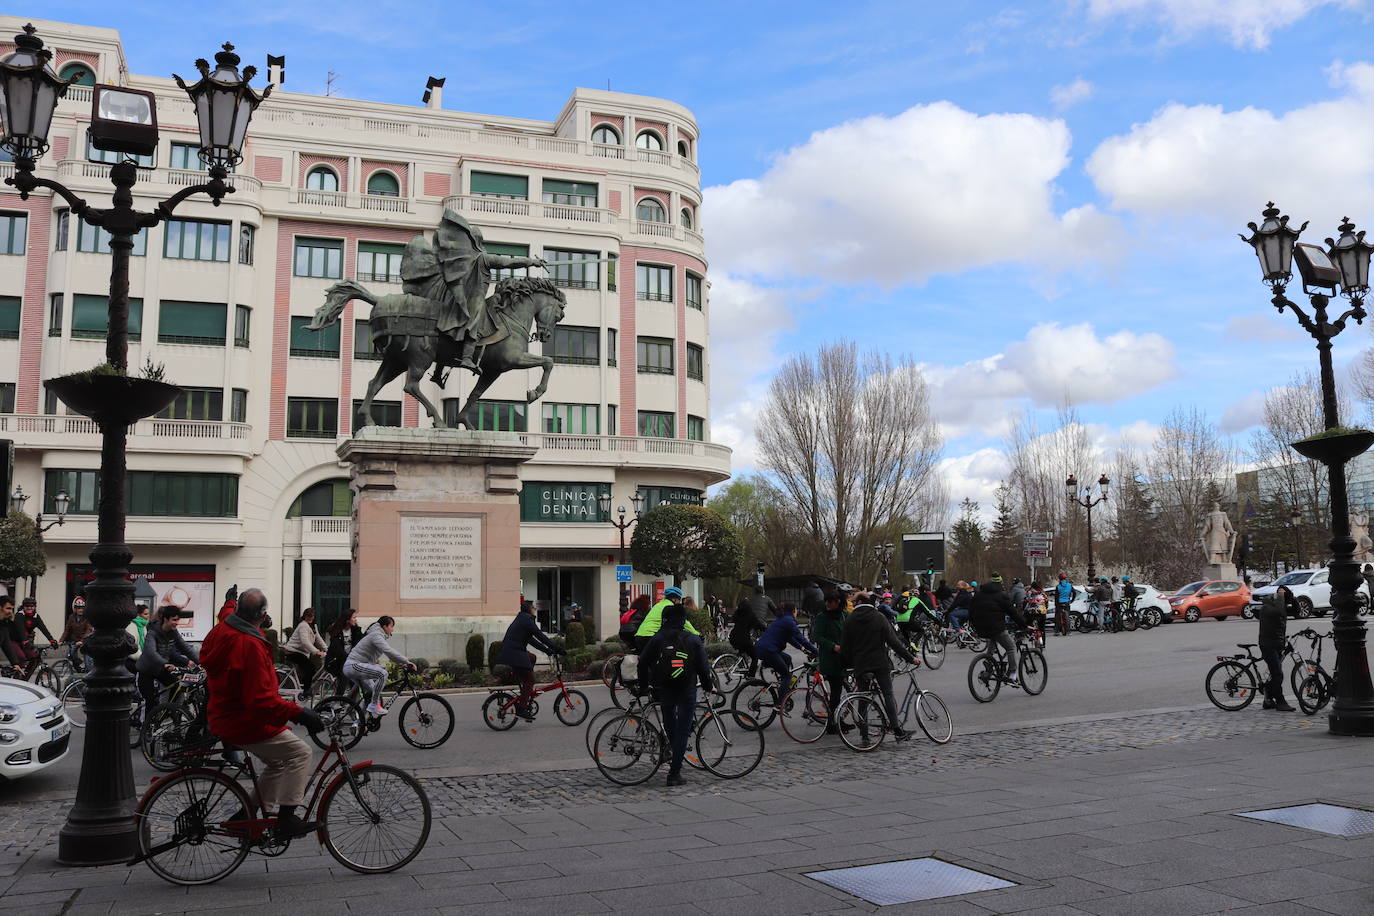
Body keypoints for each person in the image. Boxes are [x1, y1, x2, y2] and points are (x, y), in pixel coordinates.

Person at [200, 588, 324, 839]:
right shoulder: (249, 644)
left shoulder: (224, 628)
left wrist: (230, 601)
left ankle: (245, 816)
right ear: (262, 614)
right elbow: (261, 701)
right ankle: (287, 819)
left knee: (277, 762)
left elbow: (227, 613)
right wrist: (299, 713)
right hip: (243, 719)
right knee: (300, 752)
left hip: (225, 712)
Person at [639, 602, 712, 786]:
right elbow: (703, 668)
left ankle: (672, 752)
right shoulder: (693, 639)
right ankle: (674, 773)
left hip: (665, 688)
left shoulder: (658, 638)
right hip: (687, 689)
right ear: (683, 619)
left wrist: (643, 686)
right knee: (683, 731)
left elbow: (642, 663)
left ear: (665, 618)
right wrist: (708, 685)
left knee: (671, 727)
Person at [841, 592, 918, 741]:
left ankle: (864, 735)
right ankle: (897, 730)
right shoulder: (879, 617)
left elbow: (845, 647)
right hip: (880, 663)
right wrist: (910, 658)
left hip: (861, 664)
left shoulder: (850, 620)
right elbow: (894, 642)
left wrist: (847, 665)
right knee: (887, 694)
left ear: (859, 602)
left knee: (862, 698)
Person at [498, 601, 564, 718]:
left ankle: (522, 680)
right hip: (514, 653)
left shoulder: (523, 619)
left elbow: (532, 640)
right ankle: (521, 708)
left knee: (532, 657)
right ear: (529, 609)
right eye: (533, 608)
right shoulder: (527, 620)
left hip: (512, 652)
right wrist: (557, 648)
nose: (535, 610)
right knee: (531, 679)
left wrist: (547, 650)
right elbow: (540, 636)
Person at [344, 616, 415, 716]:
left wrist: (402, 664)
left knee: (373, 692)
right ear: (385, 626)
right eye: (391, 626)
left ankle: (359, 723)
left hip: (359, 666)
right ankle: (373, 706)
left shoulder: (378, 636)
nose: (392, 629)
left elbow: (389, 654)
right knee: (382, 674)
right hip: (353, 665)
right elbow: (388, 651)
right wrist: (406, 661)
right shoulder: (376, 635)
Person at [135, 606, 199, 710]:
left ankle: (169, 713)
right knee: (150, 701)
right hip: (146, 670)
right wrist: (165, 663)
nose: (176, 622)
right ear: (165, 619)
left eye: (177, 620)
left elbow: (185, 648)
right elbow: (151, 653)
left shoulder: (173, 632)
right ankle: (148, 724)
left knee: (177, 687)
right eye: (174, 620)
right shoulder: (153, 632)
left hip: (160, 669)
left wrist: (202, 663)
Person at [969, 580, 1028, 688]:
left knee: (993, 638)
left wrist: (975, 626)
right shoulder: (1001, 595)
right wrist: (1024, 624)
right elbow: (1012, 612)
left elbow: (971, 611)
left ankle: (988, 661)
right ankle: (1012, 675)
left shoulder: (977, 596)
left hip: (981, 628)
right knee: (1011, 647)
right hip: (996, 628)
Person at [753, 601, 817, 696]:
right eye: (796, 611)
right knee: (787, 676)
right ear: (793, 611)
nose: (796, 613)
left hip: (762, 649)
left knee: (787, 658)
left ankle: (783, 684)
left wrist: (803, 649)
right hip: (768, 651)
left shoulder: (782, 619)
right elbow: (802, 639)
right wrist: (816, 651)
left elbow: (790, 638)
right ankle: (779, 705)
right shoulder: (789, 621)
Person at [811, 592, 847, 734]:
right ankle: (833, 723)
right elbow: (817, 637)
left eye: (830, 602)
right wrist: (833, 646)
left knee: (842, 691)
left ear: (838, 602)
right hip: (831, 659)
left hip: (844, 658)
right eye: (826, 602)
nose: (827, 604)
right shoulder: (822, 617)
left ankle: (838, 719)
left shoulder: (844, 615)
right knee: (836, 693)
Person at [1259, 585, 1298, 711]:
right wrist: (1281, 596)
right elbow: (1279, 612)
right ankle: (1280, 702)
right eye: (1284, 600)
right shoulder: (1268, 606)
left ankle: (1268, 699)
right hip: (1268, 645)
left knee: (1275, 674)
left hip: (1277, 644)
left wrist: (1293, 599)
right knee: (1278, 674)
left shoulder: (1279, 605)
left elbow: (1296, 612)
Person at [634, 586, 700, 650]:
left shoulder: (658, 605)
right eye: (679, 600)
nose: (679, 602)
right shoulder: (670, 607)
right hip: (651, 637)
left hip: (639, 636)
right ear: (674, 599)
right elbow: (684, 622)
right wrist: (697, 634)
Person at [284, 607, 328, 696]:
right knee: (310, 667)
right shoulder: (303, 625)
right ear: (304, 616)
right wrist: (317, 652)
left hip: (300, 652)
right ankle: (306, 690)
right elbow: (305, 642)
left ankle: (305, 685)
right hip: (292, 651)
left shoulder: (313, 626)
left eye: (312, 616)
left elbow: (318, 639)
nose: (311, 618)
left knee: (309, 668)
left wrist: (327, 649)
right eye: (309, 616)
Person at [729, 592, 768, 678]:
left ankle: (742, 667)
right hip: (743, 639)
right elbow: (758, 625)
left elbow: (734, 620)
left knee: (743, 652)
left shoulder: (737, 614)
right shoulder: (751, 615)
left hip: (733, 637)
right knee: (755, 657)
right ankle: (751, 676)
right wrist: (767, 629)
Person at [15, 597, 54, 676]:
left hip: (25, 641)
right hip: (14, 640)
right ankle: (16, 678)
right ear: (23, 607)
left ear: (35, 607)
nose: (29, 608)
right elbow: (20, 629)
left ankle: (25, 678)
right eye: (27, 606)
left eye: (32, 606)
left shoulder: (36, 617)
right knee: (22, 657)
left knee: (35, 657)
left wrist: (52, 640)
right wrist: (26, 641)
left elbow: (44, 629)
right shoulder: (19, 615)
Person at [324, 609, 364, 680]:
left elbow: (362, 642)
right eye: (354, 618)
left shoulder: (356, 631)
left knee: (356, 678)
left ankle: (355, 691)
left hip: (350, 660)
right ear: (347, 620)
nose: (356, 620)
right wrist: (347, 657)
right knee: (344, 677)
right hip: (337, 661)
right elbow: (336, 648)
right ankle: (340, 691)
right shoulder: (337, 631)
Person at [60, 597, 94, 671]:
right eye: (78, 608)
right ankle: (78, 668)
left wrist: (82, 641)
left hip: (85, 640)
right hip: (75, 640)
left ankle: (88, 670)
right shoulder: (71, 617)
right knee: (71, 653)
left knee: (87, 658)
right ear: (75, 609)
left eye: (82, 608)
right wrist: (61, 640)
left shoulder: (87, 617)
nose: (80, 610)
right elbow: (67, 630)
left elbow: (88, 630)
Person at [0, 598, 24, 668]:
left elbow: (7, 644)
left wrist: (15, 663)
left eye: (11, 609)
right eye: (8, 608)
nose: (10, 611)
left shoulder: (4, 624)